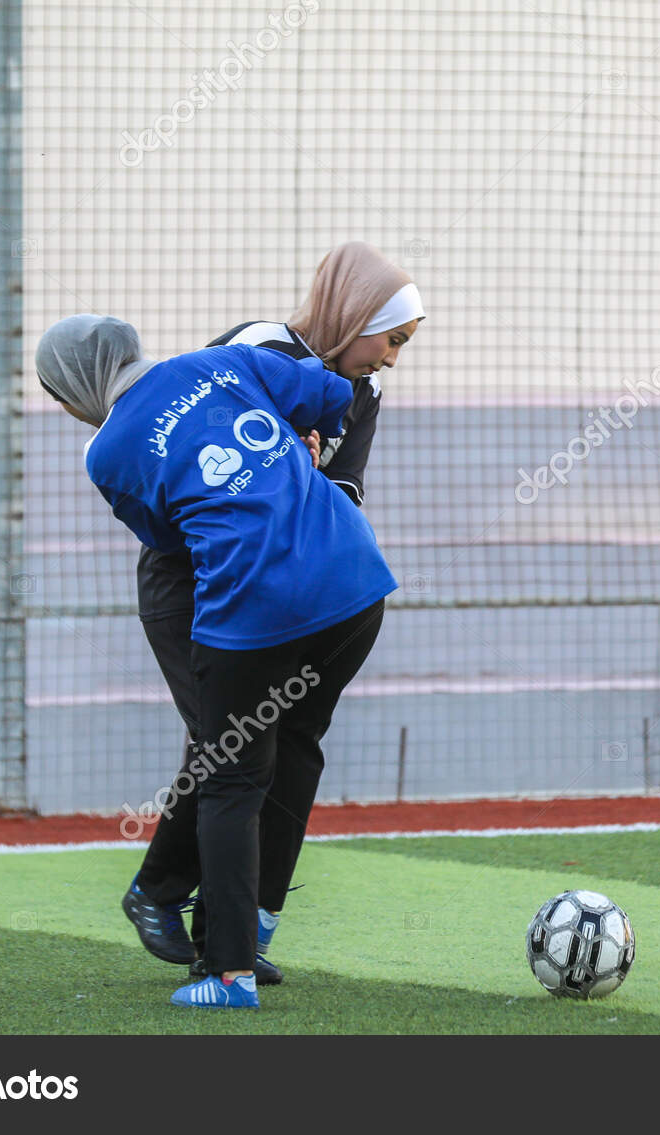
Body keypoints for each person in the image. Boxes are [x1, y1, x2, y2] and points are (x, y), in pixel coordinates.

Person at [36, 311, 398, 1008]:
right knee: (288, 746)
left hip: (252, 604)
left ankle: (226, 973)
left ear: (76, 386)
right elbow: (332, 394)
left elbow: (166, 535)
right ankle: (243, 931)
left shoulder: (106, 453)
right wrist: (295, 451)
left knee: (231, 773)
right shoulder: (217, 365)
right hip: (354, 582)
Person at [126, 243, 422, 989]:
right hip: (195, 580)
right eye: (391, 338)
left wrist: (312, 471)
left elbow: (345, 486)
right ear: (352, 316)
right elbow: (181, 445)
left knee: (293, 740)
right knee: (231, 745)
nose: (391, 358)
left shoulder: (363, 393)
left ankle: (246, 927)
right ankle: (164, 898)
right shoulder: (255, 345)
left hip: (286, 582)